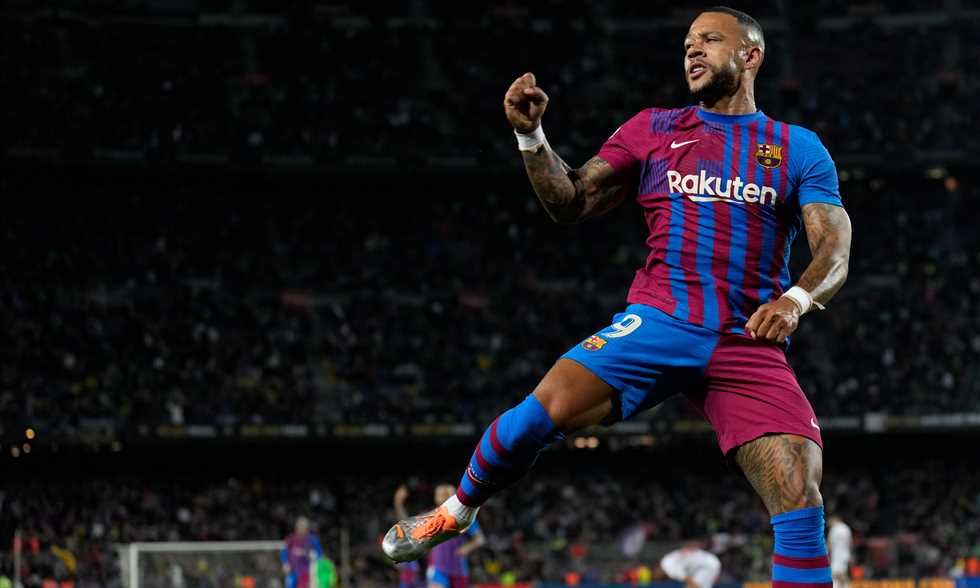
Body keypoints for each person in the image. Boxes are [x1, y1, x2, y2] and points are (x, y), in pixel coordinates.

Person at [383, 9, 851, 588]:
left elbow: (834, 249)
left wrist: (796, 300)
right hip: (659, 320)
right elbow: (572, 200)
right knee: (536, 416)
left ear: (750, 55)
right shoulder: (655, 129)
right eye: (688, 43)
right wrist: (530, 136)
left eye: (710, 40)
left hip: (746, 341)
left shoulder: (797, 148)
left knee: (799, 490)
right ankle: (456, 512)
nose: (693, 50)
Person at [282, 516, 324, 588]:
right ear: (296, 527)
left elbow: (320, 555)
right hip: (293, 572)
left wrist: (315, 557)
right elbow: (284, 552)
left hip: (308, 573)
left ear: (307, 528)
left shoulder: (313, 540)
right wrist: (285, 563)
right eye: (300, 526)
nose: (301, 529)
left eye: (304, 527)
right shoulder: (290, 539)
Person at [657, 545, 722, 588]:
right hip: (707, 560)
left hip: (707, 566)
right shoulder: (666, 559)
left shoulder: (669, 569)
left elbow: (689, 580)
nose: (660, 579)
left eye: (658, 578)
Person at [827, 516, 853, 588]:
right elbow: (850, 542)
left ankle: (845, 586)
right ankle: (845, 586)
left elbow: (830, 543)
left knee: (836, 574)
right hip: (845, 554)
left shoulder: (834, 529)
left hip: (837, 555)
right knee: (842, 572)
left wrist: (829, 555)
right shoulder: (846, 528)